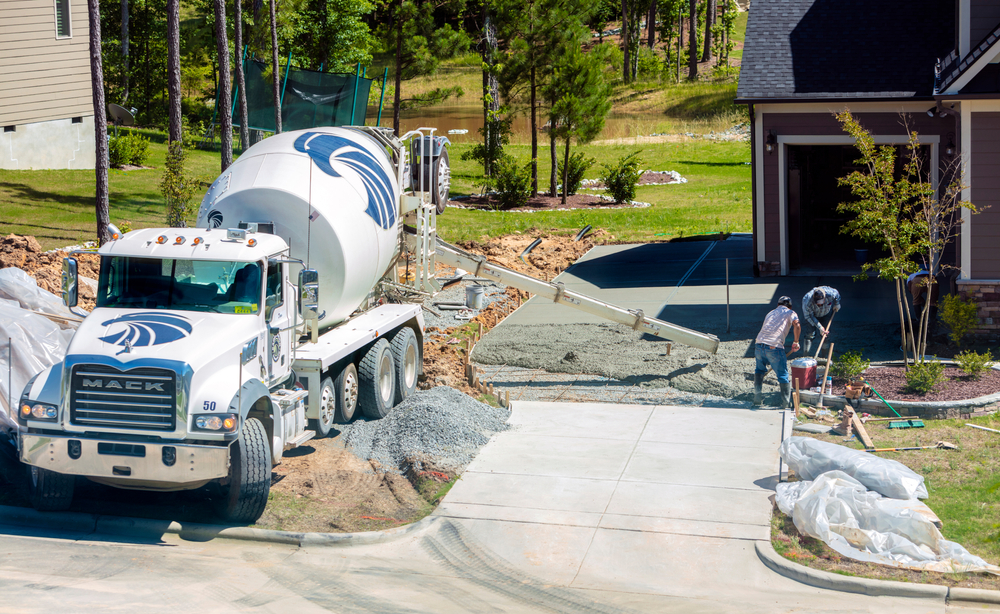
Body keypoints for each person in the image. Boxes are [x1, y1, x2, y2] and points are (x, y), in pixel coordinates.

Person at [754, 296, 801, 408]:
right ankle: (785, 403)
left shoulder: (770, 313)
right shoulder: (791, 312)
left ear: (778, 305)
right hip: (774, 346)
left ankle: (757, 400)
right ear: (790, 306)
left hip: (758, 344)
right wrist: (796, 341)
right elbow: (797, 325)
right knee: (783, 375)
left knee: (759, 371)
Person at [802, 286, 841, 355]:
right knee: (810, 334)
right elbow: (809, 316)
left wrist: (837, 304)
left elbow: (837, 294)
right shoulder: (807, 300)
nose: (819, 304)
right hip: (812, 315)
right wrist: (820, 327)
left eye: (821, 302)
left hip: (826, 314)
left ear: (825, 297)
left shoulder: (831, 293)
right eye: (817, 302)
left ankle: (824, 356)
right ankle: (806, 355)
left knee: (826, 334)